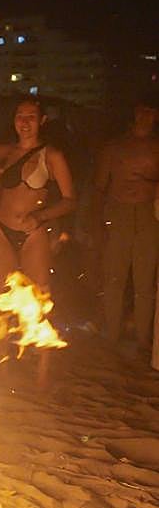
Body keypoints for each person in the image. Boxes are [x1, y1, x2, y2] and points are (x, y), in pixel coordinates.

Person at [0, 97, 75, 296]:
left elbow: (69, 201)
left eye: (31, 117)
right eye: (20, 116)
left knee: (38, 299)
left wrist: (39, 217)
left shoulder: (52, 155)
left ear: (42, 120)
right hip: (1, 229)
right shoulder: (3, 151)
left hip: (33, 233)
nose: (24, 122)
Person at [93, 94, 159, 358]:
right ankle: (111, 335)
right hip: (118, 214)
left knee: (144, 283)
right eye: (142, 111)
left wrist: (149, 184)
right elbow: (99, 186)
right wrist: (95, 222)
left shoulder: (157, 147)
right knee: (113, 279)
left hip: (148, 216)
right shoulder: (115, 147)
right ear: (134, 112)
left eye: (151, 112)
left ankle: (144, 339)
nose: (145, 117)